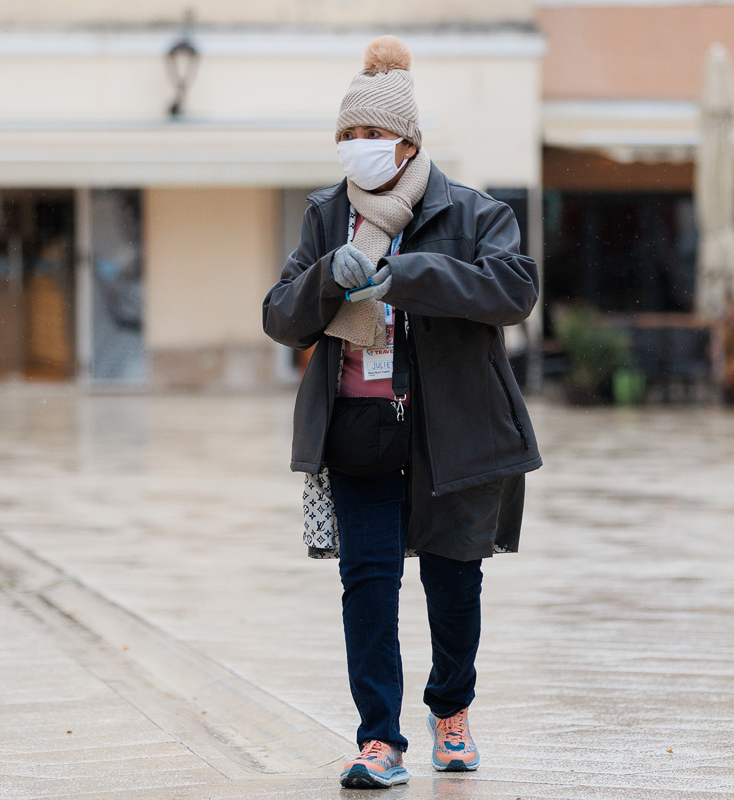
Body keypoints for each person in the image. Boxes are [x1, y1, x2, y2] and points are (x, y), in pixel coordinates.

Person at [263, 36, 542, 790]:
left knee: (455, 585)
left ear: (409, 142)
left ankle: (450, 710)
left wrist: (406, 275)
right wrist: (331, 275)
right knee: (368, 587)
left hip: (456, 434)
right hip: (358, 432)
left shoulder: (475, 212)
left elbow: (514, 291)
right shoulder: (327, 219)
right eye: (347, 136)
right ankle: (378, 740)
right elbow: (280, 317)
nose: (358, 149)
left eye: (372, 135)